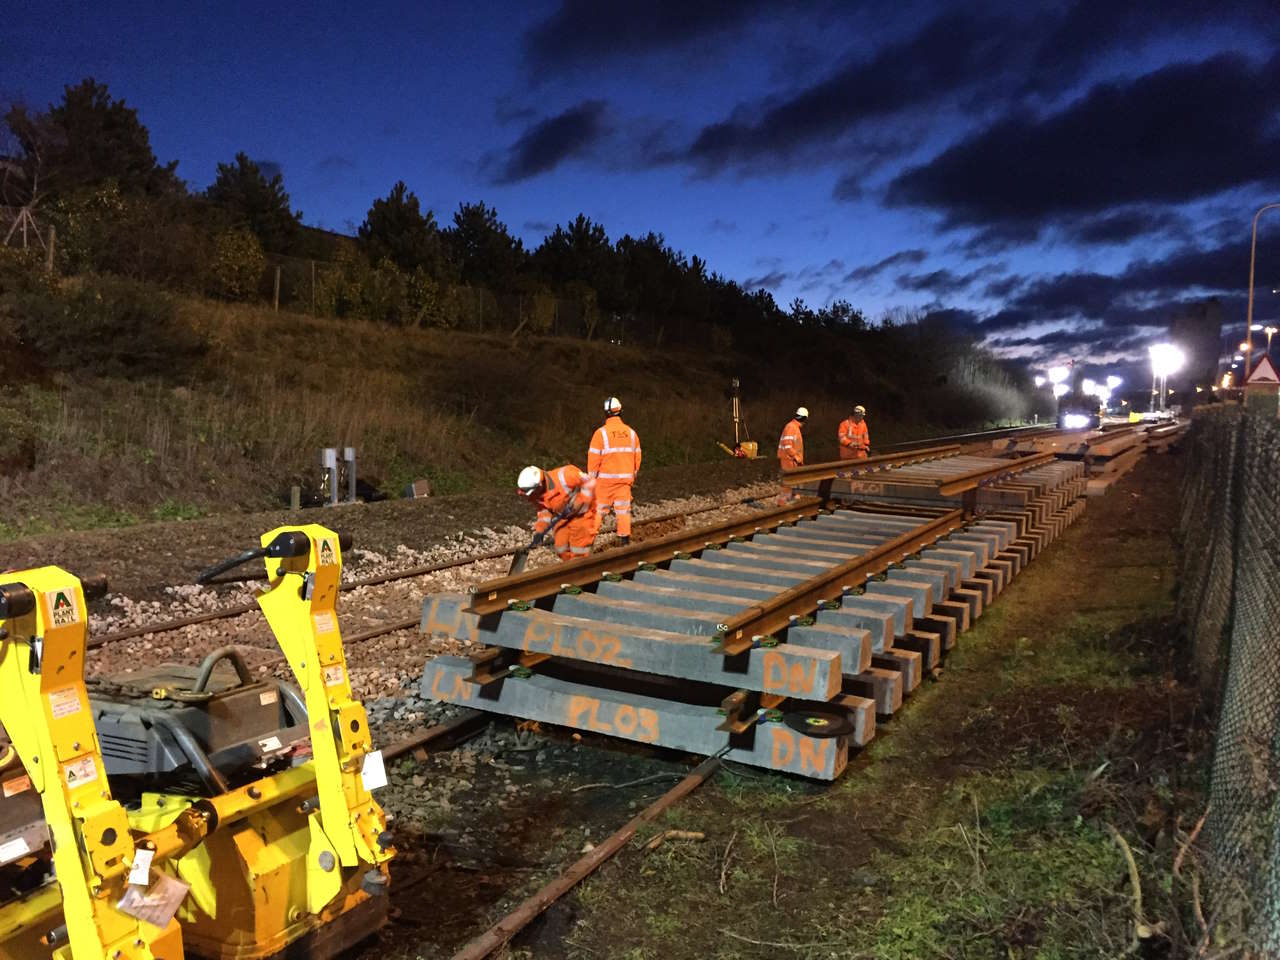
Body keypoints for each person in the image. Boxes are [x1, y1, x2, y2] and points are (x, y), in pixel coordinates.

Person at [588, 396, 642, 545]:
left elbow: (593, 460)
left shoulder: (601, 433)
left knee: (598, 511)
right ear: (620, 412)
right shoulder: (631, 433)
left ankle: (588, 543)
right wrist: (632, 476)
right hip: (624, 481)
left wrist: (591, 480)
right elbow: (637, 458)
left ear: (606, 413)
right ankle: (624, 543)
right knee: (623, 511)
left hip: (604, 482)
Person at [515, 464, 597, 561]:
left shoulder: (565, 475)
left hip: (582, 516)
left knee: (579, 551)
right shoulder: (536, 494)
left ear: (539, 485)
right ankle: (570, 569)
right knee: (561, 548)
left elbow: (591, 482)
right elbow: (544, 511)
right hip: (563, 517)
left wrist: (580, 501)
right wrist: (540, 530)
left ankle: (581, 570)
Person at [776, 406, 807, 503]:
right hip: (788, 459)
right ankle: (782, 503)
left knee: (793, 481)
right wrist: (796, 457)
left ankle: (793, 500)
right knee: (789, 481)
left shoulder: (794, 427)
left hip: (791, 459)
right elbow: (787, 446)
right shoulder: (791, 427)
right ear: (804, 418)